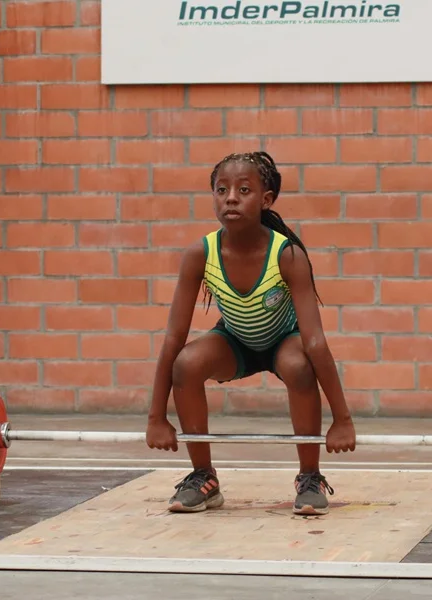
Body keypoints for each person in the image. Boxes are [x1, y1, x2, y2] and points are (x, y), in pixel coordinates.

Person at [145, 151, 357, 516]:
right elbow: (173, 337)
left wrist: (343, 420)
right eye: (221, 189)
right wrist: (155, 417)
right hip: (235, 343)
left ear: (266, 200)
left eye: (244, 190)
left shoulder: (287, 255)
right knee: (186, 363)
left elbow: (315, 342)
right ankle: (203, 478)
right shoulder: (201, 253)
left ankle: (310, 478)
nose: (230, 197)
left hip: (283, 342)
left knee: (299, 364)